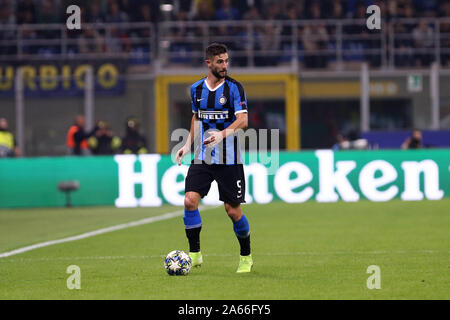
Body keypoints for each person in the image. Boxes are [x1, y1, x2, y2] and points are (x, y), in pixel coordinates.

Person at [175, 43, 252, 273]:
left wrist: (222, 134)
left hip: (229, 159)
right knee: (190, 201)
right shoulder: (196, 89)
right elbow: (197, 118)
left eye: (226, 61)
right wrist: (187, 145)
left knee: (232, 211)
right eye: (220, 62)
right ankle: (195, 254)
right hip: (202, 156)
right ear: (208, 63)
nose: (224, 65)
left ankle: (246, 257)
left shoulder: (234, 88)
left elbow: (243, 121)